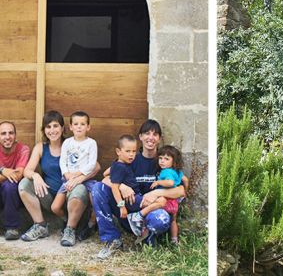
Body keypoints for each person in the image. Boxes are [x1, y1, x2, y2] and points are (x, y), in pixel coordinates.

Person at [92, 119, 186, 259]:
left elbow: (180, 191)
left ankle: (149, 237)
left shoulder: (164, 161)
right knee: (98, 188)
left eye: (155, 134)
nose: (150, 137)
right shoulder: (130, 158)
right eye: (147, 133)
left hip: (150, 213)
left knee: (162, 219)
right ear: (140, 137)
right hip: (128, 213)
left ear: (159, 138)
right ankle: (112, 240)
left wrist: (156, 192)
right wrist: (122, 186)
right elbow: (106, 178)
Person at [18, 111, 100, 244]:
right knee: (24, 184)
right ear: (44, 130)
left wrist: (78, 179)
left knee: (79, 189)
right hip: (50, 196)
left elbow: (96, 167)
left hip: (72, 192)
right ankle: (40, 225)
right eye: (48, 127)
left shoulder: (73, 144)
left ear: (63, 128)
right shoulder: (41, 148)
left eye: (55, 126)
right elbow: (27, 170)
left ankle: (70, 230)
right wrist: (35, 175)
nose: (52, 130)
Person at [50, 111, 98, 246]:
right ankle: (67, 222)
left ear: (88, 127)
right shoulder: (67, 143)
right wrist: (66, 174)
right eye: (76, 124)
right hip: (68, 179)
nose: (79, 127)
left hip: (85, 179)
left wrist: (77, 175)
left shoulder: (91, 143)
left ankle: (90, 225)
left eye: (83, 124)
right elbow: (62, 161)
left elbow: (92, 164)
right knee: (55, 207)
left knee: (96, 201)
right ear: (70, 127)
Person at [127, 145, 185, 244]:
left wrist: (158, 183)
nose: (162, 161)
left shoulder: (165, 172)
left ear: (173, 161)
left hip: (165, 200)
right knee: (173, 221)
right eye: (160, 158)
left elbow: (170, 183)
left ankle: (139, 216)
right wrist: (184, 194)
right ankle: (174, 239)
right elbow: (185, 181)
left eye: (166, 159)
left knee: (156, 204)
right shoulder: (178, 172)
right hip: (174, 202)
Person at [0, 121, 29, 240]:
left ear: (15, 135)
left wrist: (3, 171)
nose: (7, 137)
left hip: (13, 195)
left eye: (11, 133)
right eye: (3, 133)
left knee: (10, 185)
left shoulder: (23, 149)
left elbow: (18, 175)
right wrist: (3, 170)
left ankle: (12, 228)